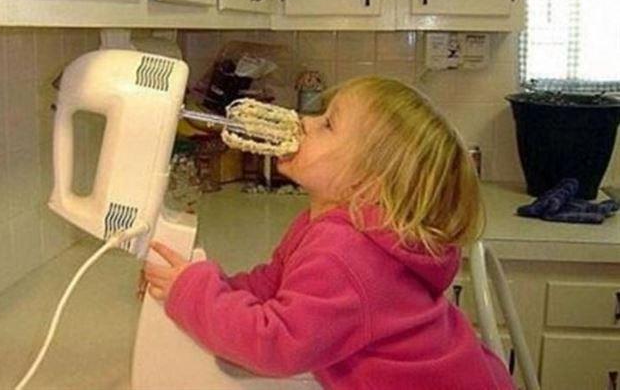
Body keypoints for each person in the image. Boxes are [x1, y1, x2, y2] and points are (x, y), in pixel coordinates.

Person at [142, 76, 515, 390]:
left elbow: (276, 345)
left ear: (367, 182)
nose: (305, 121)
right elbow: (272, 285)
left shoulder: (346, 253)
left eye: (327, 125)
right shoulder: (330, 224)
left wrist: (194, 294)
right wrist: (208, 287)